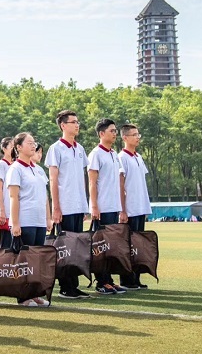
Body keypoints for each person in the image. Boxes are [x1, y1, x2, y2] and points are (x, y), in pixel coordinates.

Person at [45, 110, 91, 300]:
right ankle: (65, 286)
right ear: (63, 125)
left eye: (77, 121)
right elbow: (53, 180)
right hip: (64, 206)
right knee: (65, 248)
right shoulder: (55, 149)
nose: (77, 125)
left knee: (77, 248)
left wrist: (85, 204)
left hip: (78, 205)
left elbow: (82, 178)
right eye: (73, 122)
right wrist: (56, 207)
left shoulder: (79, 148)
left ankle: (74, 285)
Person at [8, 132, 52, 307]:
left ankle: (34, 293)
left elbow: (45, 196)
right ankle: (22, 295)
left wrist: (48, 218)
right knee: (23, 260)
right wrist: (15, 222)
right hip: (25, 220)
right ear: (18, 147)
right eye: (29, 143)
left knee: (36, 259)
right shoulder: (15, 169)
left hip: (39, 220)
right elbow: (13, 197)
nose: (33, 146)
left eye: (34, 143)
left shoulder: (38, 169)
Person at [88, 119, 127, 295]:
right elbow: (92, 182)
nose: (115, 133)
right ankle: (101, 282)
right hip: (102, 208)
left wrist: (120, 207)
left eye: (115, 131)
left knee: (110, 246)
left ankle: (109, 280)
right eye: (111, 130)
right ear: (101, 133)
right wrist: (94, 206)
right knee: (100, 247)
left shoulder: (113, 154)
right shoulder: (95, 154)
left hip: (113, 206)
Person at [118, 124, 152, 290]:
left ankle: (136, 277)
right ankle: (126, 279)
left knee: (138, 246)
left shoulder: (138, 157)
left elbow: (141, 184)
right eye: (134, 135)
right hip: (129, 209)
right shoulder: (121, 157)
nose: (137, 137)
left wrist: (145, 207)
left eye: (138, 134)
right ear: (125, 138)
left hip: (140, 207)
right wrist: (122, 209)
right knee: (128, 245)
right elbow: (121, 185)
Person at [0, 137, 14, 249]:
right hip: (6, 209)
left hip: (15, 211)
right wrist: (2, 210)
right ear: (4, 149)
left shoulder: (16, 165)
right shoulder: (1, 165)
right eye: (11, 147)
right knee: (5, 245)